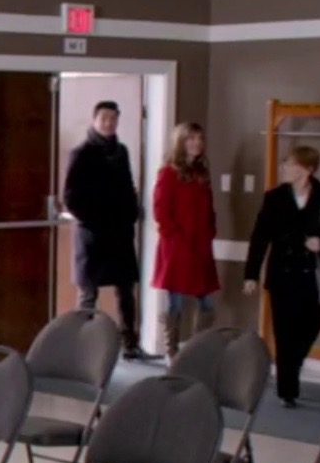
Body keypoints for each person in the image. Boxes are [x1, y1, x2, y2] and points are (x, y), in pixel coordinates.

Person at [244, 145, 320, 408]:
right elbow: (260, 237)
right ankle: (287, 390)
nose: (284, 169)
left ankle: (292, 364)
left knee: (312, 324)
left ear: (307, 169)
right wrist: (251, 274)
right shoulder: (274, 198)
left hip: (313, 276)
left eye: (290, 165)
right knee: (284, 333)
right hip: (282, 275)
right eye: (284, 164)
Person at [63, 100, 153, 360]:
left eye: (113, 118)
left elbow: (128, 186)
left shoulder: (121, 152)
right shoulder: (81, 153)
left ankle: (129, 344)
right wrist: (94, 220)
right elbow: (70, 197)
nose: (109, 123)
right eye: (104, 118)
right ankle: (81, 349)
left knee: (126, 291)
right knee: (88, 294)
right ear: (95, 120)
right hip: (92, 235)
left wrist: (130, 214)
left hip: (120, 234)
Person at [152, 122, 221, 358]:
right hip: (178, 248)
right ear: (180, 142)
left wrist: (210, 231)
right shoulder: (168, 173)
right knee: (176, 302)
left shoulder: (201, 173)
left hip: (201, 246)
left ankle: (195, 351)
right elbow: (161, 211)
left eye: (200, 138)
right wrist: (175, 238)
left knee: (207, 302)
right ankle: (171, 353)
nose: (197, 143)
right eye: (191, 138)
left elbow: (209, 209)